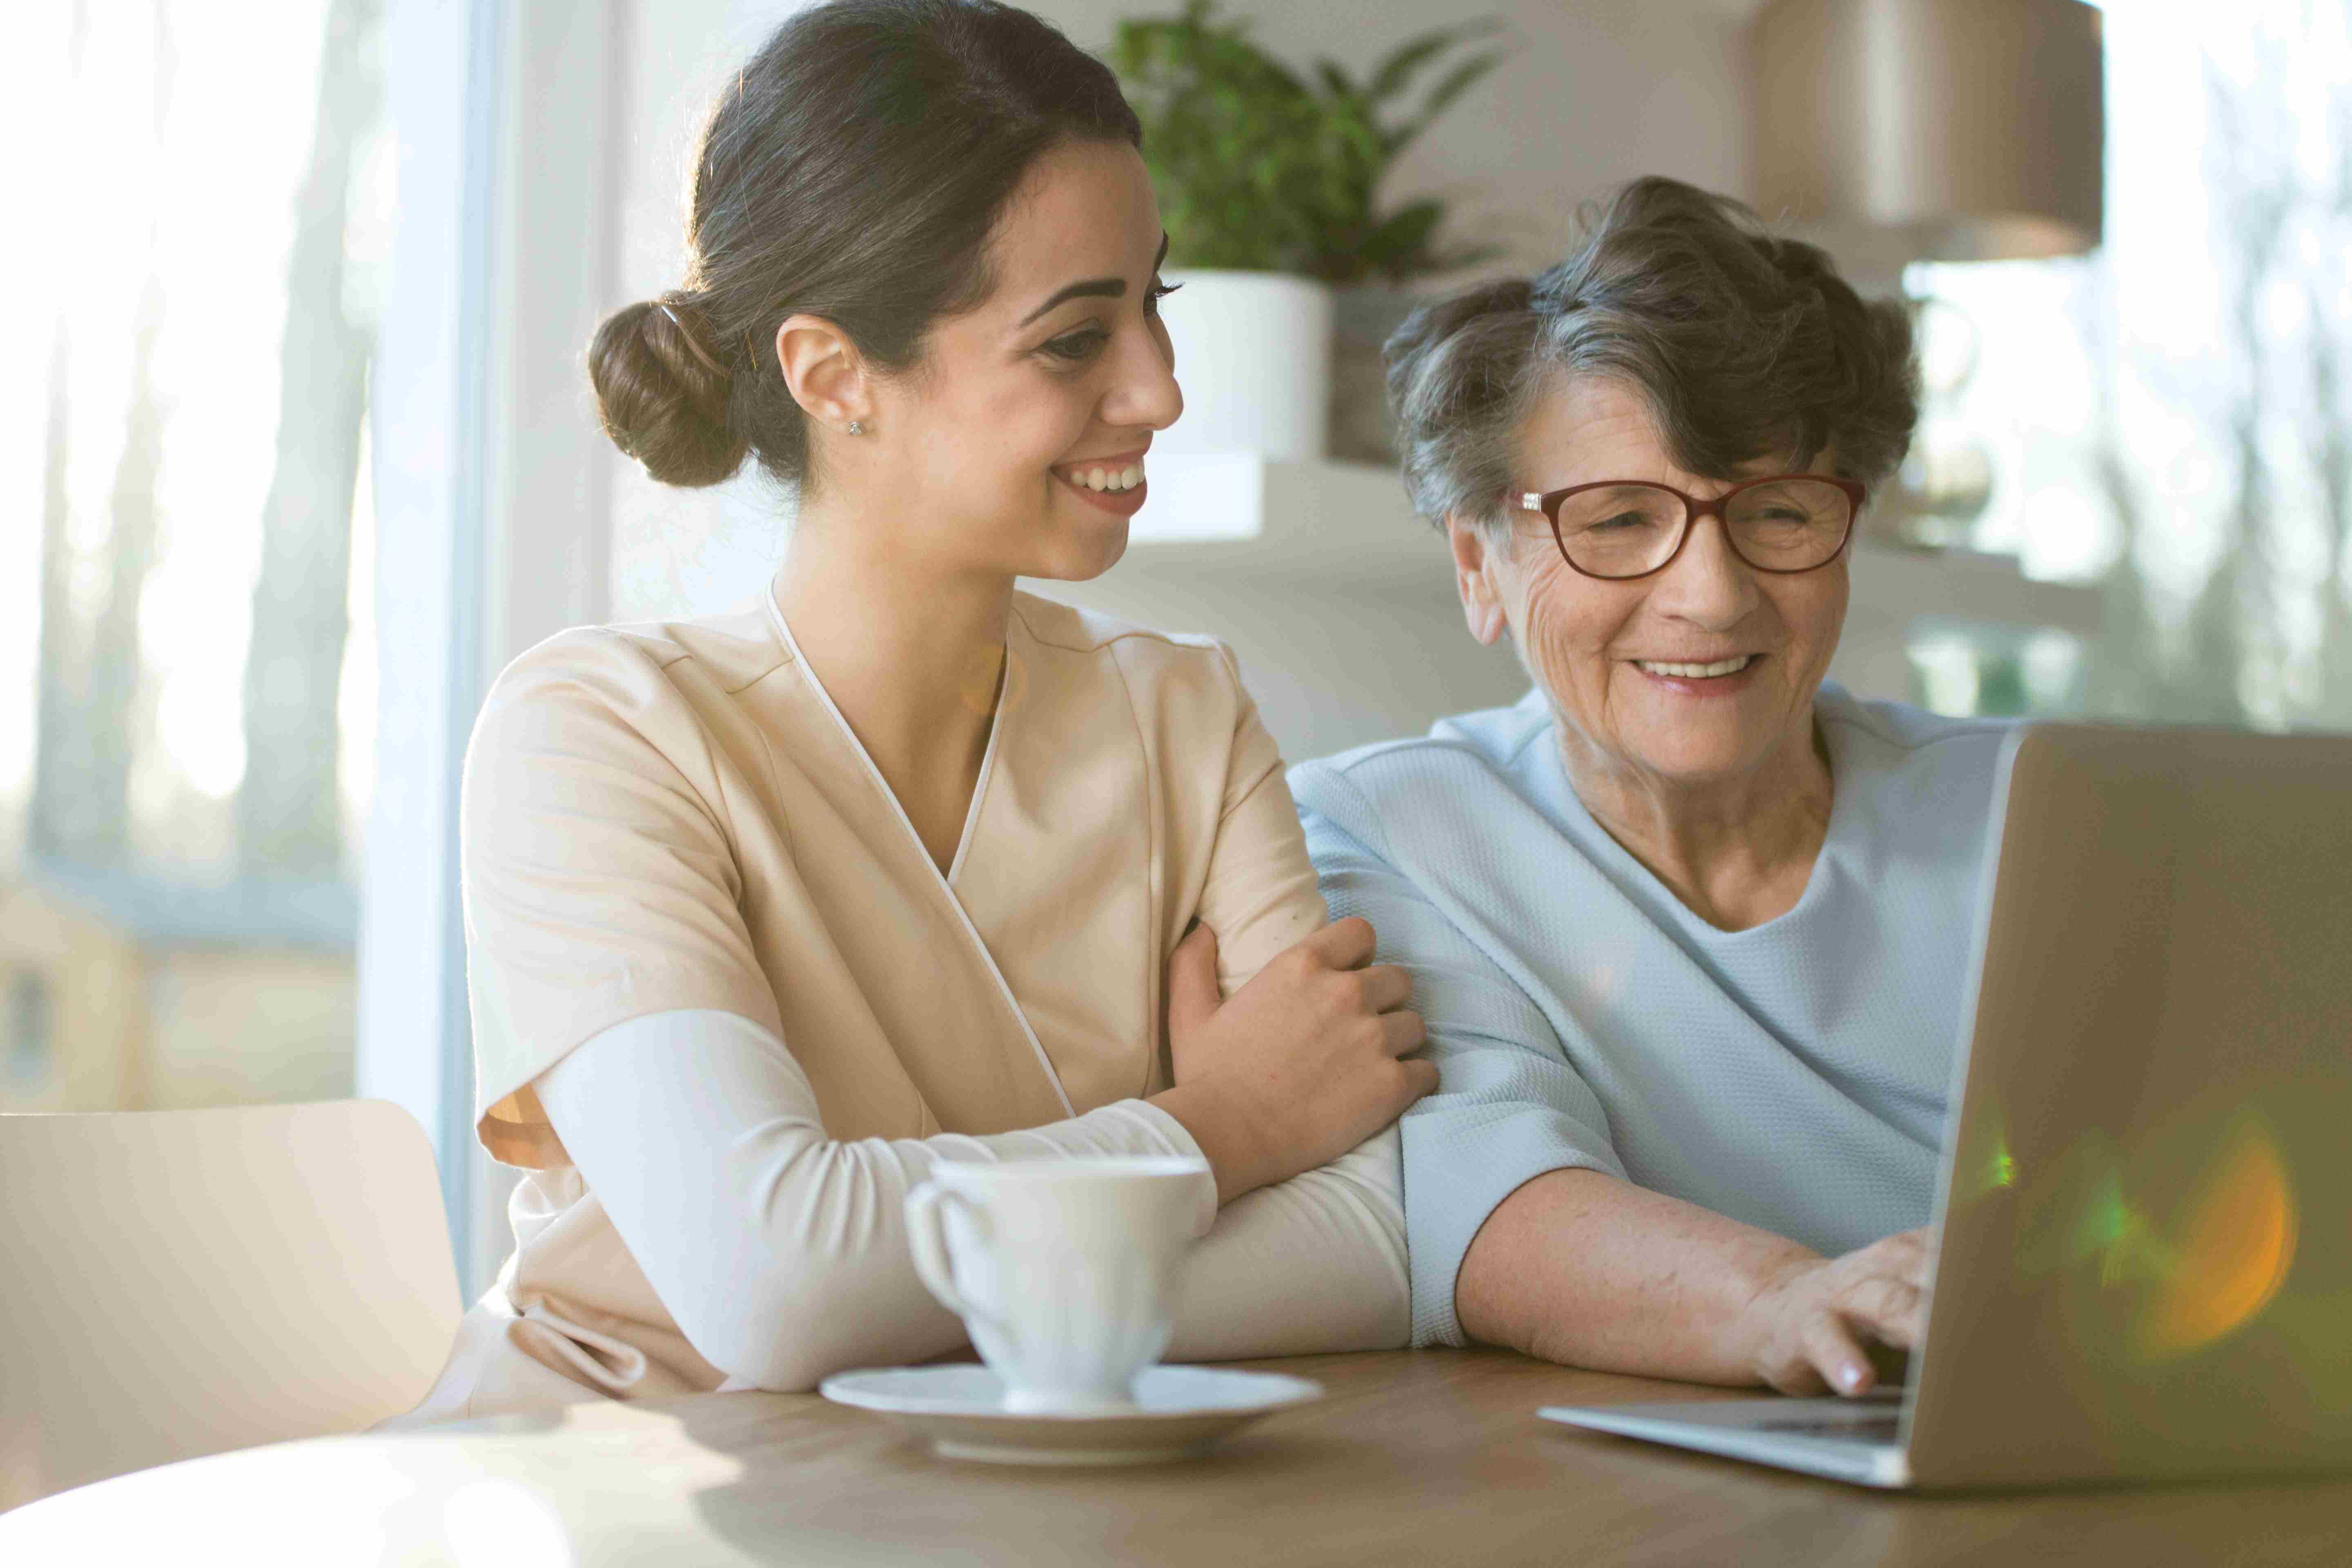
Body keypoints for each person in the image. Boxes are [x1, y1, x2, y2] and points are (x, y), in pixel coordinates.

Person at [404, 0, 1432, 1422]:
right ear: (835, 379)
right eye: (1077, 339)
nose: (1161, 390)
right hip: (611, 1496)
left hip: (1008, 1509)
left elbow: (1375, 1245)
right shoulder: (596, 736)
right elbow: (772, 1284)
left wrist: (884, 1277)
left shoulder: (1185, 714)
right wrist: (1224, 1129)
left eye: (1156, 306)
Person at [1293, 177, 2007, 1400]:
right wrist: (1791, 1299)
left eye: (1778, 513)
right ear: (1479, 565)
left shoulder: (2020, 806)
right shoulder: (1394, 833)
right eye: (1620, 520)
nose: (1712, 595)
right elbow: (1490, 1207)